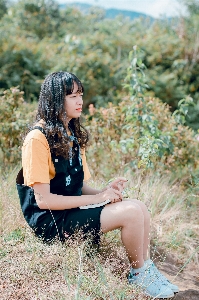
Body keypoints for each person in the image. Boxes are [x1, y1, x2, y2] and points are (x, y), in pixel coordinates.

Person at [16, 71, 178, 299]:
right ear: (54, 99)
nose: (80, 101)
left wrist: (105, 192)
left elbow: (77, 187)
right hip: (50, 222)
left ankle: (146, 269)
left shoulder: (72, 133)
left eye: (80, 94)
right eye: (71, 96)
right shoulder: (37, 138)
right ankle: (138, 274)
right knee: (131, 213)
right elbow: (43, 200)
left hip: (70, 211)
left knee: (139, 206)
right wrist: (96, 199)